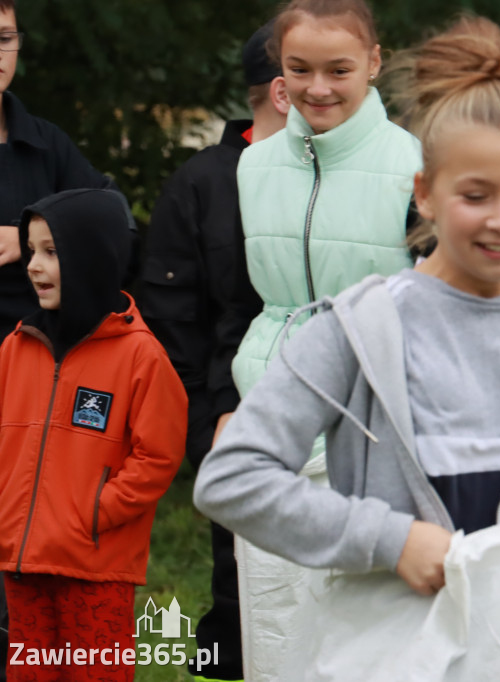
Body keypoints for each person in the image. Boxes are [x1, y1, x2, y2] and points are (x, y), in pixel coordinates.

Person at [194, 13, 500, 678]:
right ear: (425, 193)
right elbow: (232, 480)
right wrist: (388, 539)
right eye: (475, 195)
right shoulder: (357, 327)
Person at [223, 1, 421, 678]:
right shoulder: (253, 166)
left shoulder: (414, 163)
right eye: (299, 68)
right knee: (275, 630)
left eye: (338, 69)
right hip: (274, 416)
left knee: (366, 636)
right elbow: (246, 296)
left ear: (373, 61)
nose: (317, 88)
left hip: (373, 425)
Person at [137, 21, 288, 682]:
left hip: (334, 426)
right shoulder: (201, 183)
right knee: (242, 586)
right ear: (283, 88)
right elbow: (170, 318)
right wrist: (202, 423)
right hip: (230, 420)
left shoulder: (347, 178)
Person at [0, 188, 187, 681]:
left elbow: (158, 457)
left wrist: (95, 513)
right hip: (22, 560)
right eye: (32, 251)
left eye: (51, 252)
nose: (33, 267)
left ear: (92, 256)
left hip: (93, 567)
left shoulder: (140, 357)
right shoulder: (16, 349)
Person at [0, 0, 129, 340]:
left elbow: (116, 220)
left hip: (39, 356)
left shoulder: (47, 143)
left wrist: (28, 239)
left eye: (4, 38)